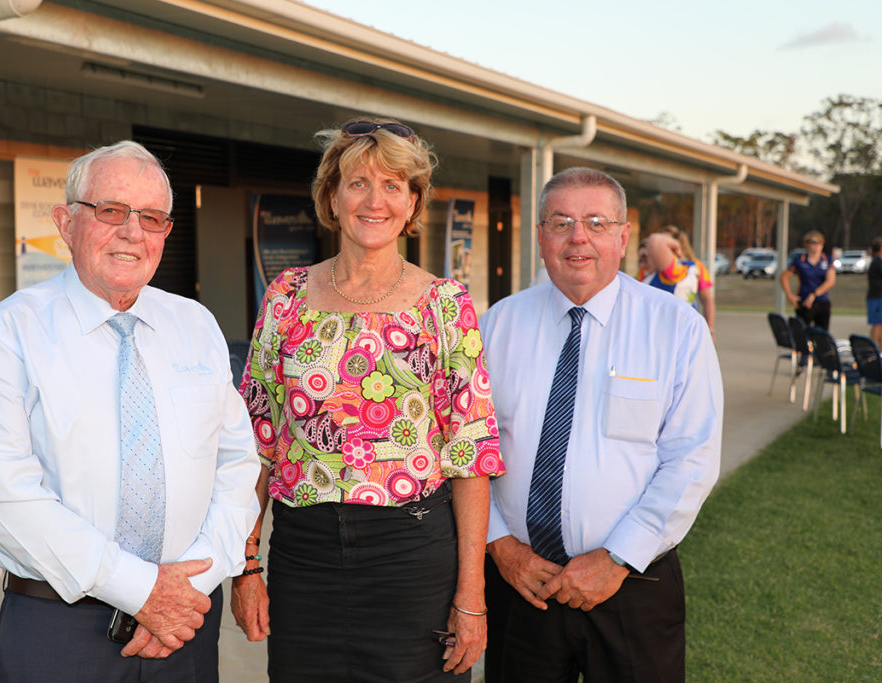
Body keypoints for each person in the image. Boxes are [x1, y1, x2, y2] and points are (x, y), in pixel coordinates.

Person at [0, 140, 261, 681]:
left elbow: (236, 464)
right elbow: (3, 494)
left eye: (151, 217)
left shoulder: (195, 325)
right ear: (64, 222)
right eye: (110, 211)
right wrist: (142, 589)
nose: (132, 232)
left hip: (186, 625)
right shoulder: (8, 333)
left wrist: (192, 583)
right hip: (59, 628)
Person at [232, 118, 504, 681]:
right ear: (332, 196)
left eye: (393, 185)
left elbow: (470, 456)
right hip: (303, 557)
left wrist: (471, 595)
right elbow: (254, 440)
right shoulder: (285, 298)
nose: (374, 200)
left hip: (411, 556)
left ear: (412, 202)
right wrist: (246, 564)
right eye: (358, 183)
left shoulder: (445, 305)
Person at [479, 167, 722, 682]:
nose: (578, 237)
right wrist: (500, 546)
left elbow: (692, 459)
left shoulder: (676, 328)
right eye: (561, 221)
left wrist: (615, 560)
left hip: (632, 584)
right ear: (541, 235)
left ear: (623, 235)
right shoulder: (497, 324)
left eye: (595, 221)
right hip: (521, 585)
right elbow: (470, 448)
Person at [644, 230, 717, 337]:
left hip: (677, 329)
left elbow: (707, 299)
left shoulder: (685, 268)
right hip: (658, 328)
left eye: (667, 242)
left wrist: (710, 330)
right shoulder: (648, 270)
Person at [781, 230, 835, 330]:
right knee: (802, 334)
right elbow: (784, 277)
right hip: (804, 301)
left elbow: (830, 281)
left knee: (822, 335)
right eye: (813, 242)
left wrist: (814, 294)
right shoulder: (800, 260)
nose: (817, 245)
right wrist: (790, 296)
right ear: (806, 244)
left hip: (822, 301)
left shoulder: (827, 259)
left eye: (820, 242)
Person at [867, 237, 882, 347]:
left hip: (877, 298)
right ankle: (872, 350)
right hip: (877, 298)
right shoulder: (877, 262)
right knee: (877, 325)